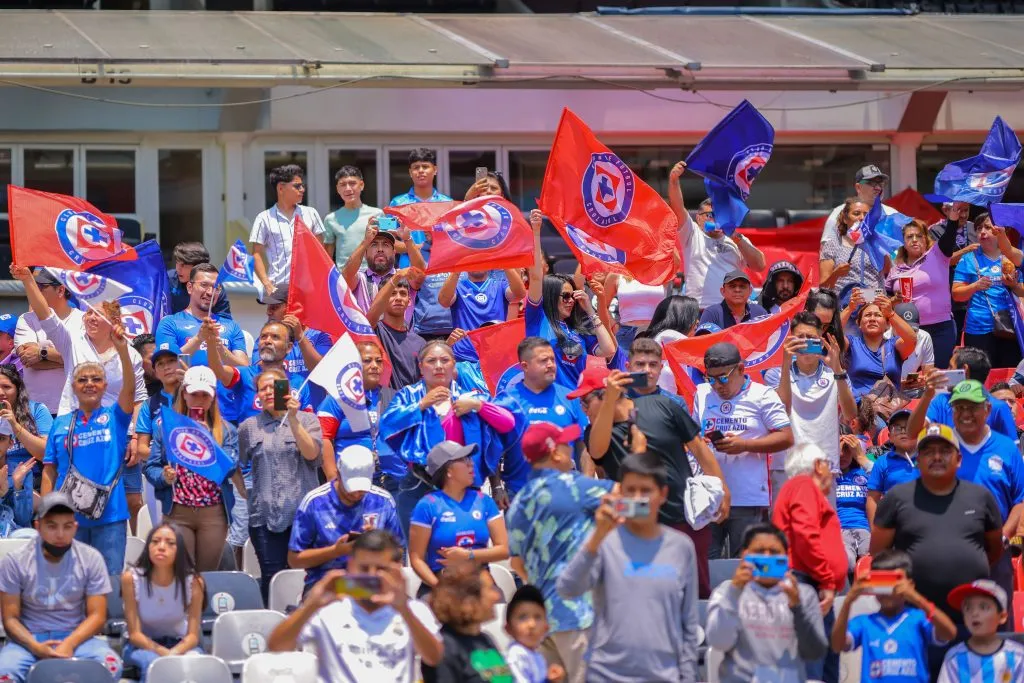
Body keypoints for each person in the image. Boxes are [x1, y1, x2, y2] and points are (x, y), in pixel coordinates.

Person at [584, 363, 729, 597]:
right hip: (636, 525)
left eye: (584, 402)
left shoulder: (662, 405)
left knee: (695, 592)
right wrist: (610, 403)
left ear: (600, 396)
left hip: (684, 520)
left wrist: (722, 489)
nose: (582, 410)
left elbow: (700, 449)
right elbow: (597, 451)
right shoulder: (595, 431)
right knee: (646, 595)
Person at [871, 423, 1003, 674]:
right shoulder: (897, 498)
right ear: (918, 459)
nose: (937, 457)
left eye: (945, 450)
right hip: (915, 620)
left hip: (970, 620)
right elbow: (879, 554)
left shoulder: (981, 497)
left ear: (959, 459)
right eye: (929, 451)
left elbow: (994, 550)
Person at [557, 452, 700, 683]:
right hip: (606, 674)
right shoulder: (603, 542)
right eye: (630, 491)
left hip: (664, 675)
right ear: (620, 493)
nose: (637, 498)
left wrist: (688, 676)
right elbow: (567, 588)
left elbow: (689, 623)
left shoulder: (681, 547)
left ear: (662, 494)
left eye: (645, 491)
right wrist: (596, 537)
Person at [506, 421, 616, 683]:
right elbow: (639, 503)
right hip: (581, 615)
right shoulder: (576, 487)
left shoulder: (517, 503)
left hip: (543, 620)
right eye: (566, 444)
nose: (571, 448)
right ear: (555, 452)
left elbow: (517, 564)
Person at [269, 530, 444, 682]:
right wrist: (311, 606)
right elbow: (276, 647)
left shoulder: (414, 611)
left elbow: (434, 657)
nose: (372, 576)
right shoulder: (329, 611)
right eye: (364, 568)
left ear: (396, 569)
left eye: (381, 569)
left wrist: (404, 610)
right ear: (351, 566)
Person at [380, 341, 520, 529]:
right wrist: (421, 405)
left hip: (464, 487)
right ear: (421, 367)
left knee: (466, 549)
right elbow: (387, 424)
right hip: (419, 484)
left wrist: (479, 406)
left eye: (445, 360)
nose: (438, 366)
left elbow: (508, 423)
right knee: (420, 553)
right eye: (431, 361)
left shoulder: (470, 398)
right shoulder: (408, 396)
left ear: (454, 365)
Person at [37, 317, 136, 575]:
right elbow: (49, 471)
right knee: (71, 583)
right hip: (68, 521)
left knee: (110, 583)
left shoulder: (116, 417)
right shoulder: (61, 425)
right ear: (73, 387)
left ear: (104, 386)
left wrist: (123, 350)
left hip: (110, 516)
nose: (89, 384)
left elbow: (130, 388)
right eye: (82, 380)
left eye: (95, 379)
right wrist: (47, 513)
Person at [0, 492, 122, 682]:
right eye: (52, 526)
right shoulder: (15, 562)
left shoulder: (91, 559)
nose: (60, 534)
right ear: (38, 527)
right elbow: (10, 619)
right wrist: (35, 647)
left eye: (67, 527)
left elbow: (97, 616)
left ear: (75, 527)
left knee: (111, 665)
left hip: (78, 638)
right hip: (28, 639)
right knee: (4, 673)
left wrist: (70, 643)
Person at [696, 341, 793, 559]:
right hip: (710, 497)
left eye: (723, 377)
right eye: (711, 379)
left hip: (748, 497)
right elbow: (694, 437)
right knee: (707, 563)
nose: (718, 385)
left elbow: (787, 437)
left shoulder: (763, 395)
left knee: (746, 564)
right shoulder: (702, 394)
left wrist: (744, 445)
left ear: (740, 369)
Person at [142, 365, 239, 572]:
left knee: (207, 574)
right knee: (181, 572)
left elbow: (230, 467)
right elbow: (151, 467)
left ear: (213, 397)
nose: (200, 399)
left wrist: (208, 442)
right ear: (184, 394)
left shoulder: (227, 430)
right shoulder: (166, 427)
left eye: (205, 395)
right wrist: (164, 477)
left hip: (213, 512)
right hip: (178, 511)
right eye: (194, 394)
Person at [239, 368, 323, 603]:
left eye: (273, 386)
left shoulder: (308, 420)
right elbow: (236, 463)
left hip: (303, 517)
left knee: (307, 577)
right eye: (262, 388)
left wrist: (293, 419)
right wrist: (244, 491)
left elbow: (312, 454)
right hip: (265, 518)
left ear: (287, 389)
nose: (267, 392)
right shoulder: (249, 426)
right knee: (272, 579)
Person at [705, 523, 828, 683]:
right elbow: (718, 641)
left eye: (774, 552)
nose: (767, 557)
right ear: (744, 555)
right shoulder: (726, 592)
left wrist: (797, 608)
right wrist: (734, 593)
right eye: (759, 552)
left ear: (786, 557)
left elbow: (814, 652)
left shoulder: (803, 594)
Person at [771, 443, 848, 683]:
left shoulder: (798, 489)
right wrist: (825, 579)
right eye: (828, 463)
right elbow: (805, 534)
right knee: (813, 670)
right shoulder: (803, 485)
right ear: (817, 465)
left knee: (825, 665)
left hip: (815, 588)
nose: (832, 471)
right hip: (808, 585)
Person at [288, 445, 404, 594]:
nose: (356, 494)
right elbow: (294, 559)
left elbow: (398, 553)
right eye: (351, 488)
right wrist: (335, 551)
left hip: (373, 583)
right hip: (327, 584)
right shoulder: (314, 503)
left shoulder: (383, 501)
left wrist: (378, 542)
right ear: (338, 474)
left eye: (361, 489)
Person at [832, 549, 957, 683]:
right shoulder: (864, 622)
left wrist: (917, 599)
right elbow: (837, 645)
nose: (887, 590)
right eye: (880, 582)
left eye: (893, 582)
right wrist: (848, 601)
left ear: (910, 585)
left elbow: (950, 633)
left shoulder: (918, 619)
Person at [526, 209, 616, 390]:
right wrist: (536, 232)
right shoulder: (538, 318)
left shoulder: (577, 331)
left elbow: (609, 350)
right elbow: (536, 277)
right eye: (566, 296)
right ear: (551, 297)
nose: (571, 301)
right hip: (545, 397)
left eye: (573, 296)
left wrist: (590, 310)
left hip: (574, 402)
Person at [408, 442, 509, 595]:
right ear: (448, 471)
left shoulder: (484, 501)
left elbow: (503, 550)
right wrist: (440, 589)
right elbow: (416, 559)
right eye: (464, 460)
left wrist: (468, 555)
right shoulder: (427, 505)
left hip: (480, 583)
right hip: (440, 584)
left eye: (470, 459)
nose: (471, 464)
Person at [154, 262, 249, 420]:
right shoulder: (170, 323)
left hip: (227, 414)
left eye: (216, 287)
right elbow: (168, 365)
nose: (210, 292)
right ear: (190, 287)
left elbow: (244, 368)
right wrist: (199, 339)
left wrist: (219, 347)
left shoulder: (231, 326)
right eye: (204, 285)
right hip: (184, 410)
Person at [668, 161, 766, 309]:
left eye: (719, 214)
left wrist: (735, 237)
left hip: (730, 309)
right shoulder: (692, 234)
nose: (715, 218)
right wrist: (674, 180)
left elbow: (759, 265)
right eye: (709, 215)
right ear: (698, 217)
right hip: (698, 309)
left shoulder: (736, 239)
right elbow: (677, 206)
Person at [501, 337, 588, 495]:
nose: (550, 365)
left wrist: (585, 486)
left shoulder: (570, 398)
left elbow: (583, 447)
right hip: (520, 495)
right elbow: (493, 448)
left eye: (552, 360)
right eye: (543, 361)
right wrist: (496, 488)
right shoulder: (505, 401)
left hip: (565, 495)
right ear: (525, 366)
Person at [777, 311, 857, 477]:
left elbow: (850, 415)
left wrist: (838, 370)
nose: (806, 342)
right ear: (791, 339)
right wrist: (785, 364)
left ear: (821, 340)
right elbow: (782, 413)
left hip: (825, 467)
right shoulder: (776, 374)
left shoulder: (836, 374)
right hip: (788, 467)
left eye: (811, 337)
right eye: (800, 337)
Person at [121, 523, 204, 680]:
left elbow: (193, 636)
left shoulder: (194, 582)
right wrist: (163, 653)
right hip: (142, 645)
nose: (161, 547)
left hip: (180, 643)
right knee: (153, 664)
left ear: (179, 550)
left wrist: (173, 653)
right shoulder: (131, 579)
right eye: (155, 541)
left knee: (195, 664)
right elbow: (135, 634)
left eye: (170, 543)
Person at [885, 218, 970, 369]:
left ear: (926, 239)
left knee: (937, 375)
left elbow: (949, 235)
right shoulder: (895, 269)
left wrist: (953, 218)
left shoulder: (937, 255)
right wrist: (894, 300)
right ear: (903, 243)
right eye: (909, 237)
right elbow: (886, 299)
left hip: (941, 328)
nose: (914, 240)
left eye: (919, 236)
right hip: (907, 329)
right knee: (909, 375)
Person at [952, 211, 1024, 370]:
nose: (982, 232)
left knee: (1009, 377)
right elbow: (956, 294)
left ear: (1000, 231)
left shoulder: (1011, 258)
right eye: (978, 228)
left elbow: (1022, 292)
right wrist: (975, 286)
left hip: (1009, 328)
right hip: (978, 329)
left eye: (988, 227)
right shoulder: (968, 259)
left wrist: (1013, 285)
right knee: (980, 379)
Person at [422, 559, 511, 683]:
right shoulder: (445, 649)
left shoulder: (486, 640)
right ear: (467, 600)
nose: (496, 596)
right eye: (490, 589)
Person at [907, 348, 1019, 444]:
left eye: (950, 367)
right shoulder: (940, 402)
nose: (946, 371)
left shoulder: (999, 408)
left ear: (964, 370)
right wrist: (927, 395)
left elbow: (1013, 454)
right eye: (958, 408)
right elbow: (913, 434)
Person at [14, 268, 83, 416]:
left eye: (42, 287)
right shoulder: (26, 319)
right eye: (34, 286)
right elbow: (28, 359)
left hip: (72, 409)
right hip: (34, 411)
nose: (35, 291)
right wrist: (67, 360)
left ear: (60, 290)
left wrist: (41, 352)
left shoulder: (83, 321)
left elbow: (83, 359)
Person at [250, 163, 326, 298]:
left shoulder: (311, 213)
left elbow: (321, 251)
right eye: (297, 186)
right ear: (281, 188)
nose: (302, 189)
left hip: (309, 288)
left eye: (303, 186)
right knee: (279, 320)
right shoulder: (263, 218)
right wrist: (267, 283)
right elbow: (256, 254)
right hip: (278, 288)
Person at [939, 580, 1024, 682]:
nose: (974, 613)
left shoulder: (1017, 656)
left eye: (983, 607)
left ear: (1002, 616)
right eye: (968, 608)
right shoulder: (954, 658)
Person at [343, 219, 426, 320]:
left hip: (401, 335)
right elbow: (346, 276)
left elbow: (420, 272)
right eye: (374, 245)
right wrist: (365, 241)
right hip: (367, 335)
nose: (380, 249)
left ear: (394, 252)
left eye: (386, 245)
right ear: (365, 253)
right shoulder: (360, 279)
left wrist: (407, 239)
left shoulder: (404, 275)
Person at [440, 267, 527, 363]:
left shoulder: (500, 285)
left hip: (495, 357)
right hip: (463, 357)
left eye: (480, 259)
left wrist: (505, 263)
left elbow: (519, 294)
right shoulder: (458, 287)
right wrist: (457, 269)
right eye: (472, 260)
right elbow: (444, 302)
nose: (477, 263)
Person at [388, 147, 452, 269]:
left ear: (435, 170)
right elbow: (388, 241)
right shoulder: (397, 203)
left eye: (425, 166)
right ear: (410, 172)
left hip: (440, 269)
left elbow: (454, 241)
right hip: (408, 271)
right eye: (416, 167)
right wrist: (416, 247)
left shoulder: (447, 203)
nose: (421, 171)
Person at [845, 296, 917, 400]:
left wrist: (891, 313)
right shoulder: (851, 343)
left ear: (888, 324)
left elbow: (912, 340)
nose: (872, 319)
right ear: (859, 324)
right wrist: (850, 308)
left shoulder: (894, 345)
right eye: (868, 315)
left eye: (878, 315)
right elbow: (832, 334)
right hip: (858, 410)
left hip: (887, 412)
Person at [257, 286, 332, 383]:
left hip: (311, 397)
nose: (268, 312)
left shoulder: (320, 335)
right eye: (268, 307)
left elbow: (321, 371)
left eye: (274, 307)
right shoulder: (265, 339)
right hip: (281, 395)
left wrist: (300, 337)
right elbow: (261, 372)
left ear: (294, 308)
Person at [366, 272, 427, 390]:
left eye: (403, 294)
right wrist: (397, 277)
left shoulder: (420, 342)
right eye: (392, 293)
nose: (398, 298)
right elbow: (370, 319)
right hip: (383, 405)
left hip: (411, 405)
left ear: (409, 301)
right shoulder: (374, 331)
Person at [0, 364, 52, 493]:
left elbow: (47, 453)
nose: (1, 392)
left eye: (6, 387)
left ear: (18, 388)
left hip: (33, 481)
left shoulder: (36, 410)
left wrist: (15, 425)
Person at [323, 165, 384, 269]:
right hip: (344, 277)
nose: (348, 188)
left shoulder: (377, 214)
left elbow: (389, 245)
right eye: (342, 184)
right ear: (337, 189)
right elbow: (327, 257)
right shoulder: (331, 219)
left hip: (373, 275)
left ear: (361, 185)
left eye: (352, 183)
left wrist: (409, 242)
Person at [819, 164, 895, 246]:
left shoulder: (892, 214)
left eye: (880, 184)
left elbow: (901, 250)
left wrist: (890, 256)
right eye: (871, 183)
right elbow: (826, 250)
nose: (878, 188)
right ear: (858, 187)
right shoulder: (840, 212)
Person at [818, 197, 882, 293]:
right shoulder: (833, 244)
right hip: (843, 300)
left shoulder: (878, 244)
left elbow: (886, 279)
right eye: (856, 214)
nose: (862, 218)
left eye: (866, 215)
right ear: (845, 218)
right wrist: (836, 274)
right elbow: (823, 287)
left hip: (873, 298)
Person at [505, 584, 565, 683]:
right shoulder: (517, 655)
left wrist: (549, 680)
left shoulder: (536, 655)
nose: (531, 625)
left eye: (537, 617)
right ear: (508, 628)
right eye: (522, 617)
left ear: (546, 627)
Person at [865, 410, 919, 520]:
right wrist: (875, 531)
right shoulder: (882, 462)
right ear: (890, 436)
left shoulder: (929, 458)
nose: (904, 431)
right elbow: (872, 499)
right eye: (898, 428)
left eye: (909, 426)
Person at [835, 433, 874, 573]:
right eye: (838, 449)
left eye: (847, 449)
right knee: (846, 563)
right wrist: (832, 459)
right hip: (840, 531)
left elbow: (884, 481)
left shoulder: (864, 474)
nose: (842, 454)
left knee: (871, 563)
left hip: (865, 530)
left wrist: (860, 456)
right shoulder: (828, 475)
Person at [167, 241, 232, 318]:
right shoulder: (168, 279)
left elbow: (225, 320)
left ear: (198, 267)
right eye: (177, 263)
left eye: (183, 265)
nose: (178, 269)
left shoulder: (215, 287)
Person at [0, 419, 35, 538]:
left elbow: (24, 519)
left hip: (15, 535)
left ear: (10, 443)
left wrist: (17, 486)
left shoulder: (22, 472)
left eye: (1, 439)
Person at [699, 271, 768, 330]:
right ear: (723, 291)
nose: (737, 290)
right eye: (732, 286)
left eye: (742, 286)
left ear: (750, 291)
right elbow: (703, 343)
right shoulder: (711, 313)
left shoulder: (759, 312)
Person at [132, 333, 160, 397]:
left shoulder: (174, 386)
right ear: (137, 361)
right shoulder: (128, 391)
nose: (160, 363)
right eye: (153, 358)